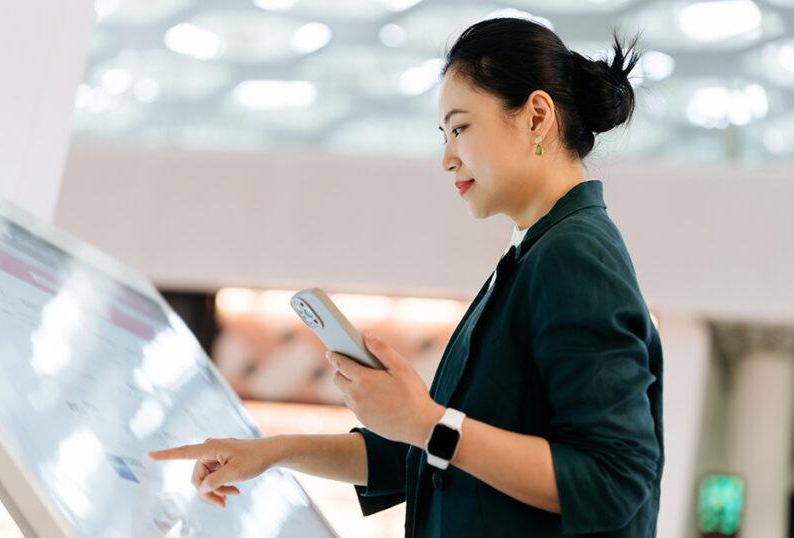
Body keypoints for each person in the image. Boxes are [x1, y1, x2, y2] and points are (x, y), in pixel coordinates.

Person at [149, 17, 664, 537]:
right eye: (444, 135)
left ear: (535, 117)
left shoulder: (574, 256)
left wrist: (427, 423)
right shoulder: (534, 253)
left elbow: (615, 479)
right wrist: (271, 451)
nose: (446, 158)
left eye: (460, 127)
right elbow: (431, 454)